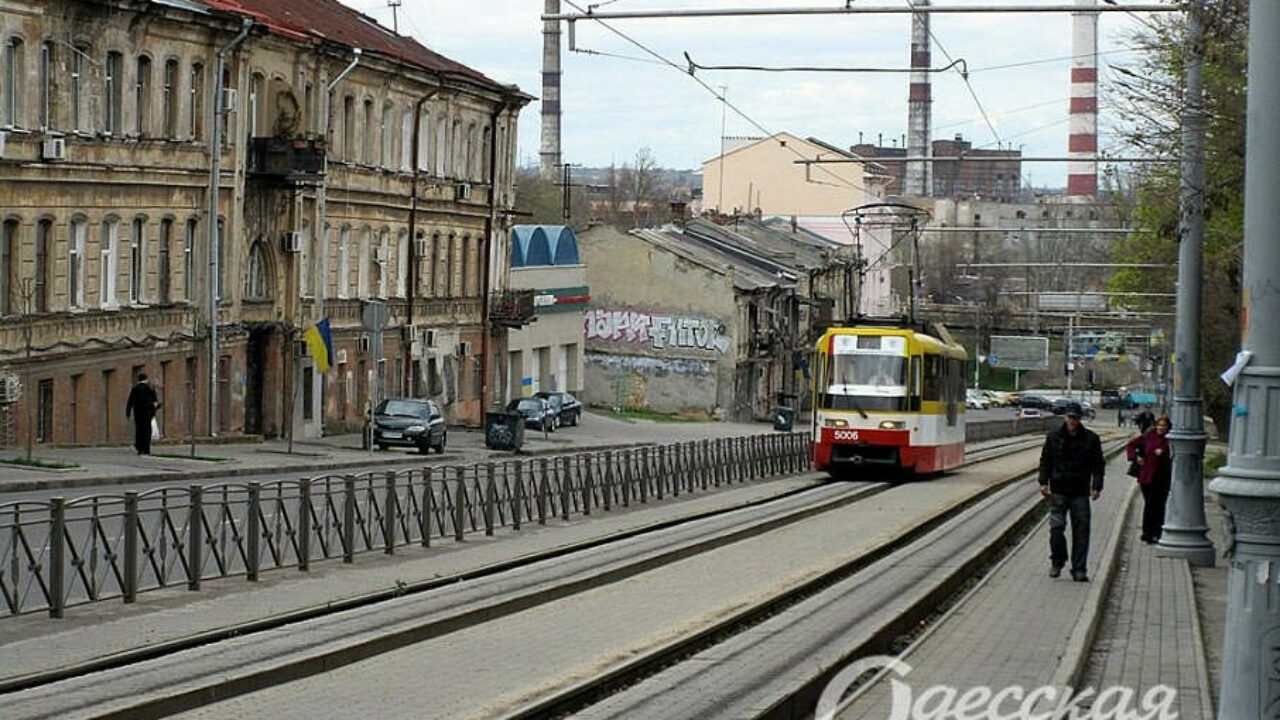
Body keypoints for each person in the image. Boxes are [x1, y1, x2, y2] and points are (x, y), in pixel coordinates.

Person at [1038, 402, 1106, 581]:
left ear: (1080, 418)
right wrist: (1043, 482)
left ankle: (1079, 568)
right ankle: (1058, 561)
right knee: (1056, 529)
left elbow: (1098, 465)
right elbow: (1046, 461)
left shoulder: (1091, 439)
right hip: (1058, 489)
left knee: (1082, 530)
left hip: (1080, 491)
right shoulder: (1053, 437)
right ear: (1065, 417)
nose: (1072, 421)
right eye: (1070, 417)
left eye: (1075, 418)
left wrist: (1097, 486)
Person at [1127, 415, 1172, 543]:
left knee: (1160, 505)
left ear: (1168, 427)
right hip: (1147, 477)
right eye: (1159, 425)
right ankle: (1148, 533)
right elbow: (1130, 445)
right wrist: (1136, 457)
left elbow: (1175, 456)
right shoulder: (1148, 436)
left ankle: (1157, 532)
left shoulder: (1170, 439)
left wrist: (1163, 453)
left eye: (1164, 426)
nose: (1161, 428)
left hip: (1163, 477)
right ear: (1155, 425)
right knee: (1150, 504)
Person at [125, 374, 161, 455]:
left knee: (139, 430)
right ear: (146, 380)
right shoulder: (150, 390)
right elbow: (155, 402)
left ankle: (139, 448)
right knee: (147, 431)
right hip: (148, 414)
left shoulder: (135, 389)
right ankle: (146, 449)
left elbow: (130, 402)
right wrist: (156, 407)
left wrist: (128, 413)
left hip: (138, 414)